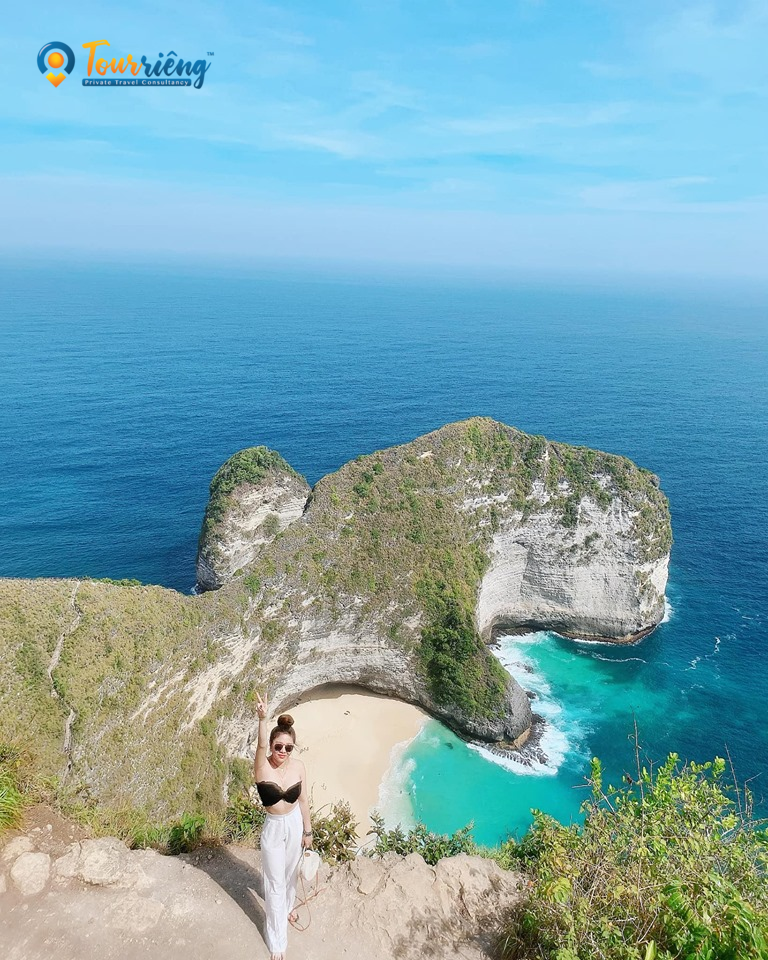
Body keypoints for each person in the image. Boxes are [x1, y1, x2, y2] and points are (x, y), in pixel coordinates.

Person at [253, 695, 312, 960]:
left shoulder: (298, 767)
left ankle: (288, 907)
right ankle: (277, 940)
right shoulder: (262, 767)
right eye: (278, 746)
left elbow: (304, 800)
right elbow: (260, 744)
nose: (283, 751)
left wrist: (308, 831)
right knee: (275, 884)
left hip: (295, 823)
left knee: (290, 874)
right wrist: (262, 719)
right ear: (271, 745)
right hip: (274, 828)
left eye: (288, 747)